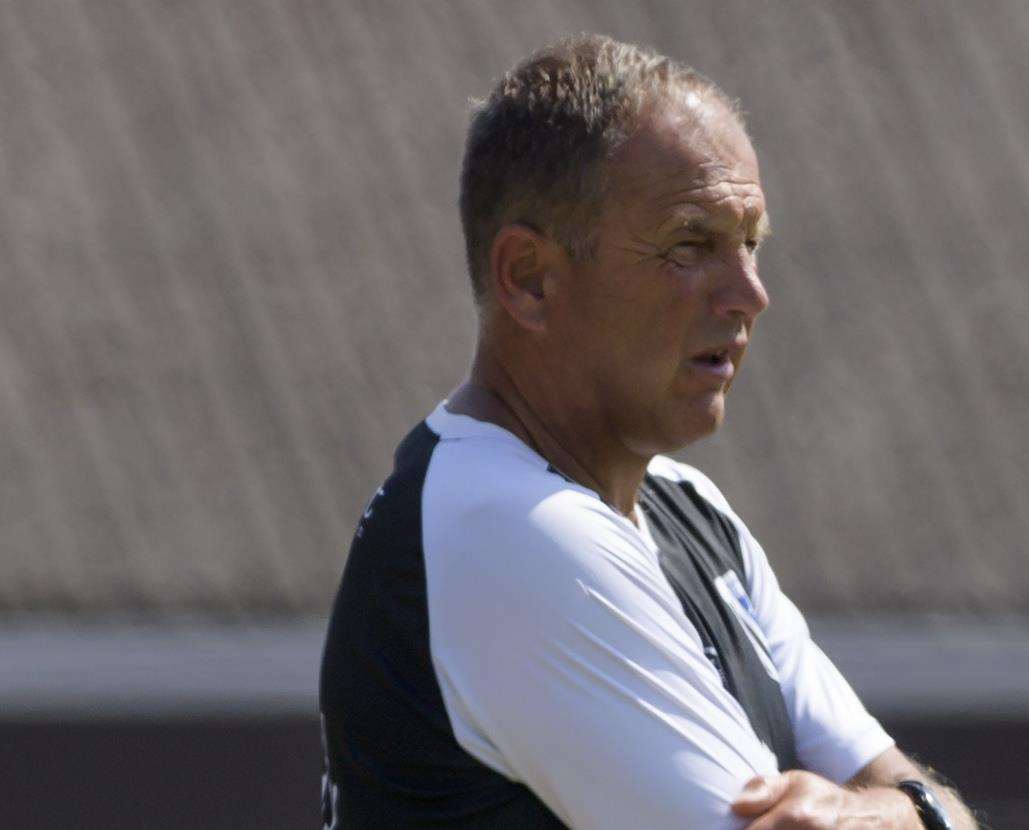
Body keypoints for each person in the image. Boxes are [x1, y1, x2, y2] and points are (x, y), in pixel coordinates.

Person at [320, 33, 978, 830]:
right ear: (529, 278)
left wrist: (886, 815)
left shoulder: (687, 510)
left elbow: (910, 795)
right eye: (690, 245)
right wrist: (911, 815)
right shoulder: (509, 529)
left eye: (750, 244)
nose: (749, 294)